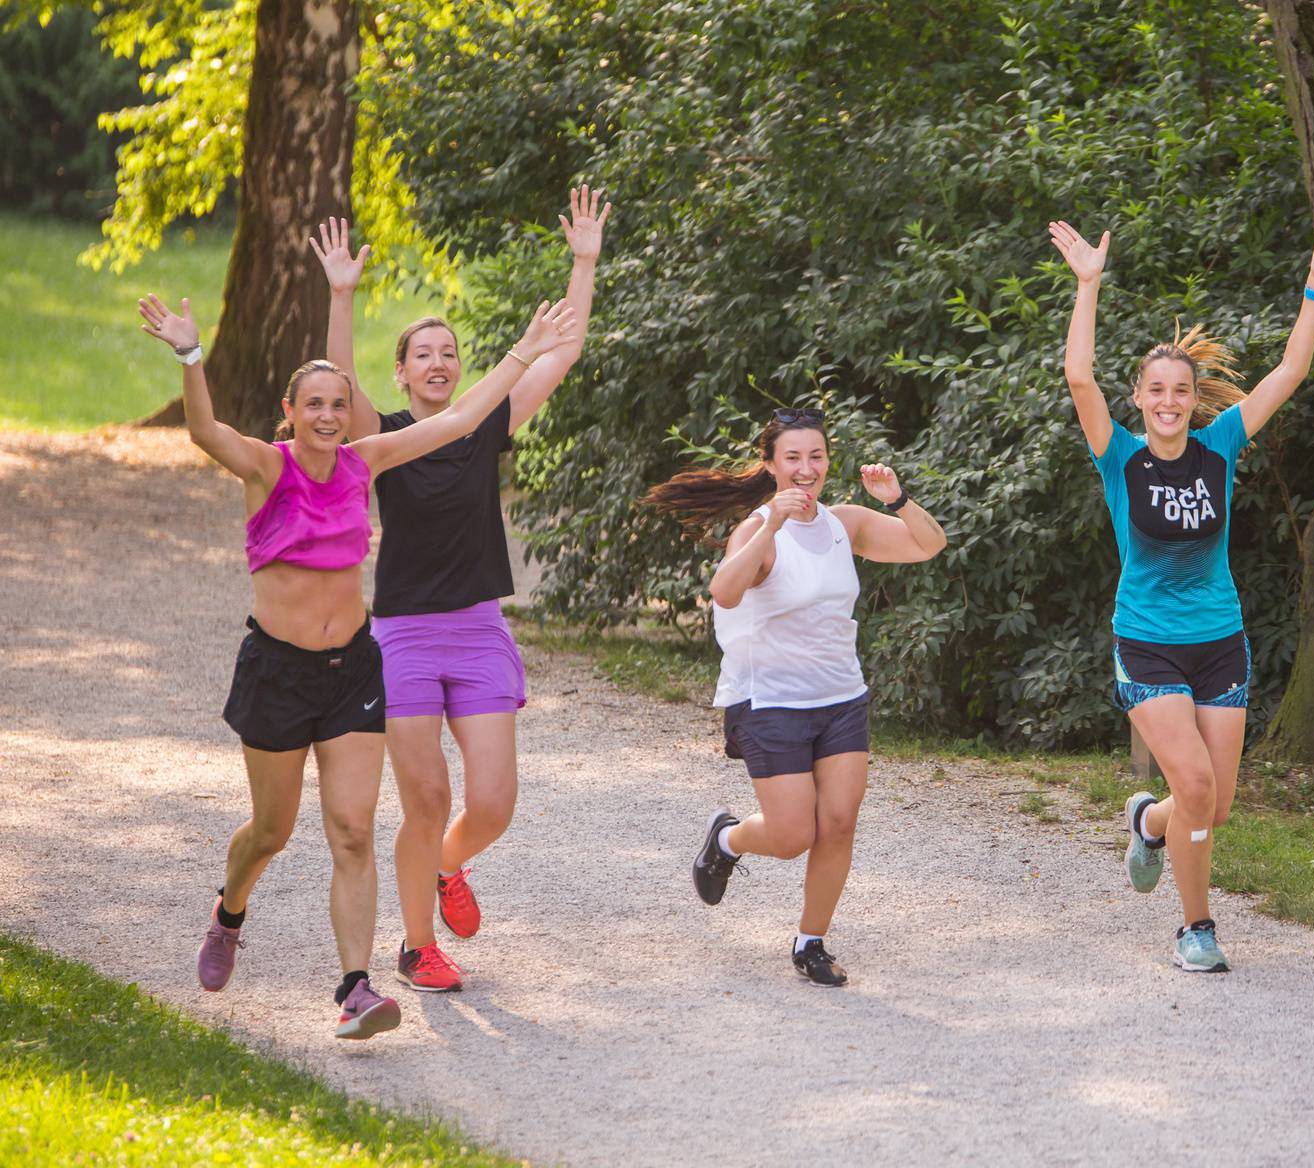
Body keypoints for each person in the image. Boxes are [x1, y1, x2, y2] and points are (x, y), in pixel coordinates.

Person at [143, 290, 578, 1037]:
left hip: (351, 673)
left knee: (352, 831)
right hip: (276, 671)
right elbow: (204, 430)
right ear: (290, 408)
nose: (326, 416)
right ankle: (229, 911)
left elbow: (461, 420)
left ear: (350, 412)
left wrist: (525, 347)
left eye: (336, 404)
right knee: (270, 833)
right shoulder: (263, 467)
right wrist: (191, 356)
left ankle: (356, 988)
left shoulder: (363, 462)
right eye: (312, 404)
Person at [1050, 220, 1314, 972]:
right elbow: (1077, 377)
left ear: (1195, 400)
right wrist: (1088, 283)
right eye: (1156, 390)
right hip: (1148, 643)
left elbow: (1288, 373)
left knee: (1213, 806)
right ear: (1139, 396)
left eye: (1181, 391)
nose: (1169, 401)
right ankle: (1196, 929)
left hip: (1220, 642)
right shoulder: (1118, 456)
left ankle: (1151, 824)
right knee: (1194, 782)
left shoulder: (1219, 444)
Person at [314, 189, 607, 993]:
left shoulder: (485, 425)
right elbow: (336, 380)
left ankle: (451, 866)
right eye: (424, 354)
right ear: (402, 372)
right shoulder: (383, 440)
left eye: (449, 352)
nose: (439, 362)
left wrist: (583, 262)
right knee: (426, 796)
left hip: (479, 632)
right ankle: (416, 948)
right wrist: (342, 293)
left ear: (459, 368)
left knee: (494, 800)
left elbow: (562, 354)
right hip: (404, 636)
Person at [646, 409, 947, 986]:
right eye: (793, 458)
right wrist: (769, 528)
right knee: (791, 836)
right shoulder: (759, 529)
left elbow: (927, 545)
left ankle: (811, 942)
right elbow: (724, 592)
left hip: (840, 697)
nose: (806, 469)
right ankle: (728, 838)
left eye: (816, 456)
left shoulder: (845, 522)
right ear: (770, 464)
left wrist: (897, 497)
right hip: (770, 700)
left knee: (838, 822)